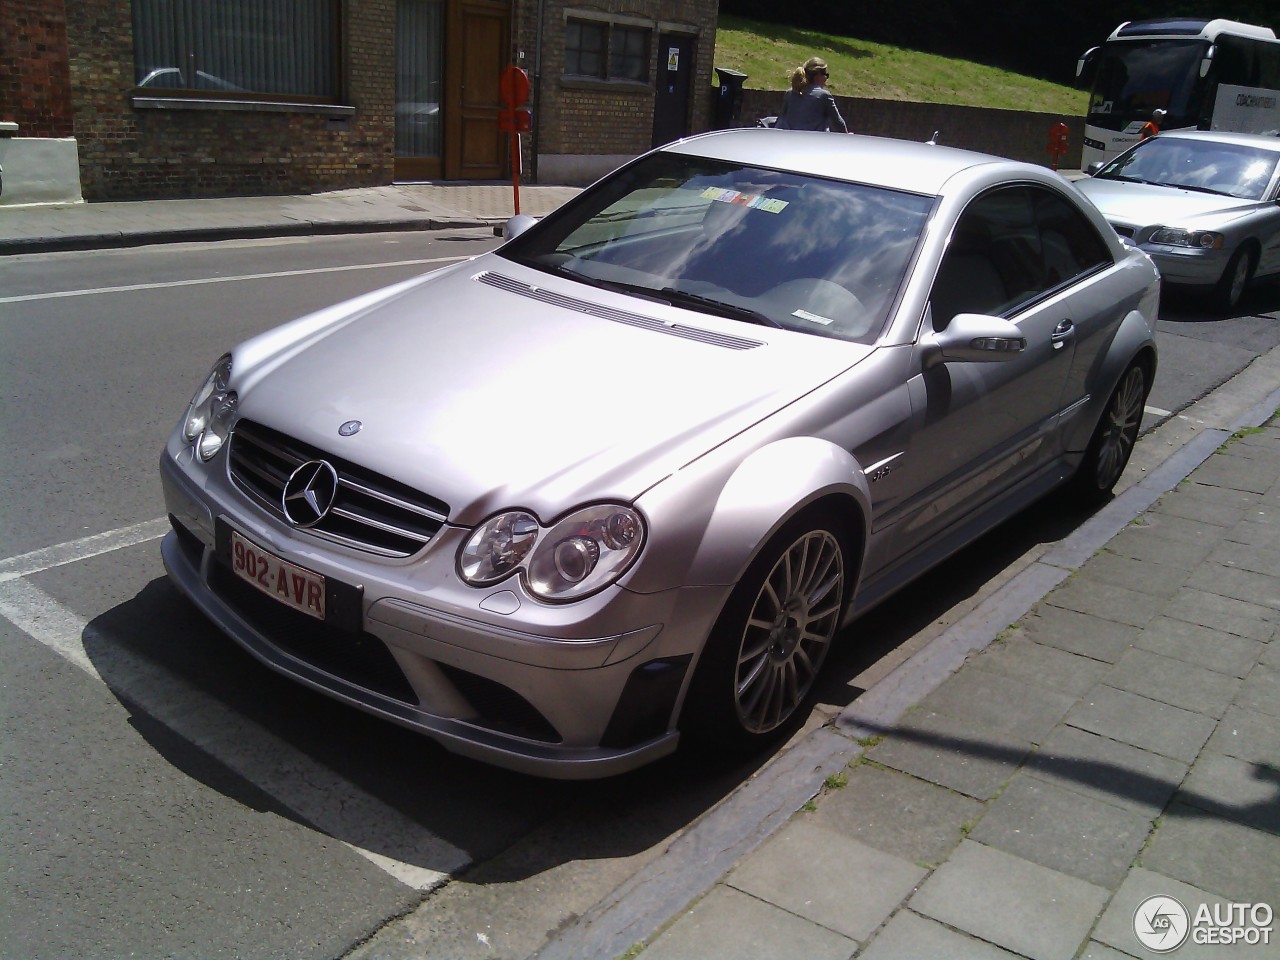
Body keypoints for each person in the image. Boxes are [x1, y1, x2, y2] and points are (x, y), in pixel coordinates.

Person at [775, 57, 849, 133]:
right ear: (817, 75)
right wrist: (847, 137)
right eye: (826, 74)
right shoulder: (823, 96)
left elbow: (781, 119)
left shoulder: (790, 93)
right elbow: (838, 123)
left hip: (791, 141)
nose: (826, 78)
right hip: (815, 142)